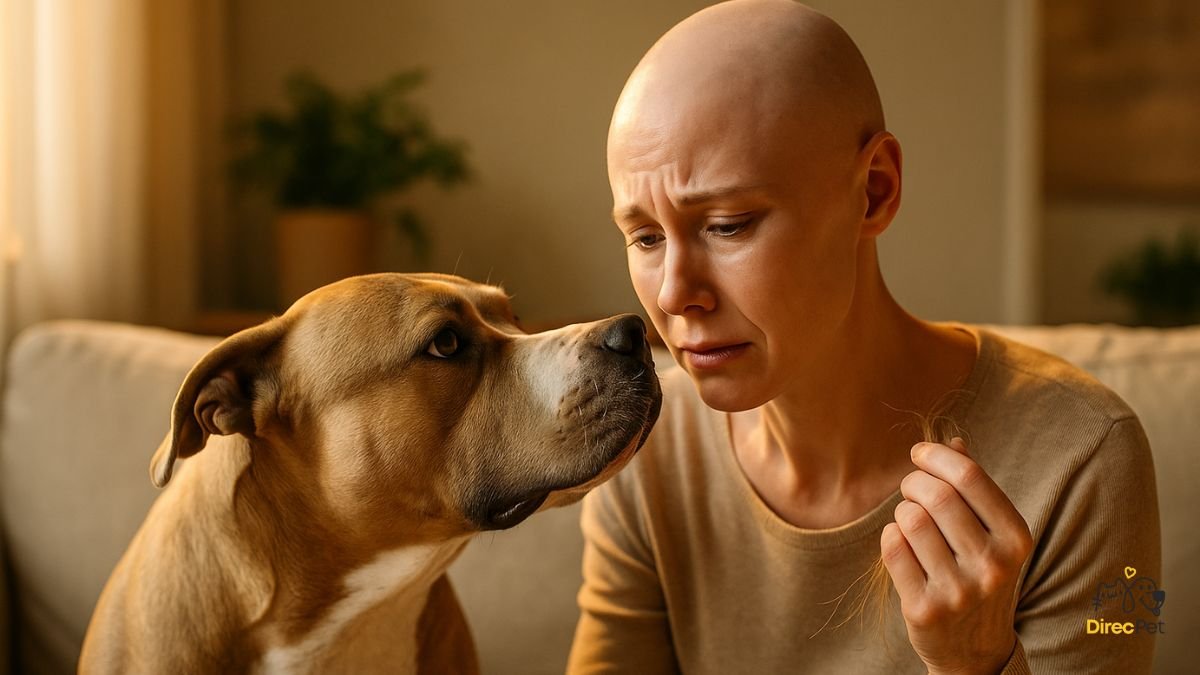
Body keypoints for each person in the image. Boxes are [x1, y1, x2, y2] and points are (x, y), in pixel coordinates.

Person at [566, 1, 1161, 673]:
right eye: (644, 236)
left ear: (874, 191)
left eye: (728, 223)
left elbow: (1129, 613)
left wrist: (979, 663)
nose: (674, 294)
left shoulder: (1088, 455)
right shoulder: (645, 449)